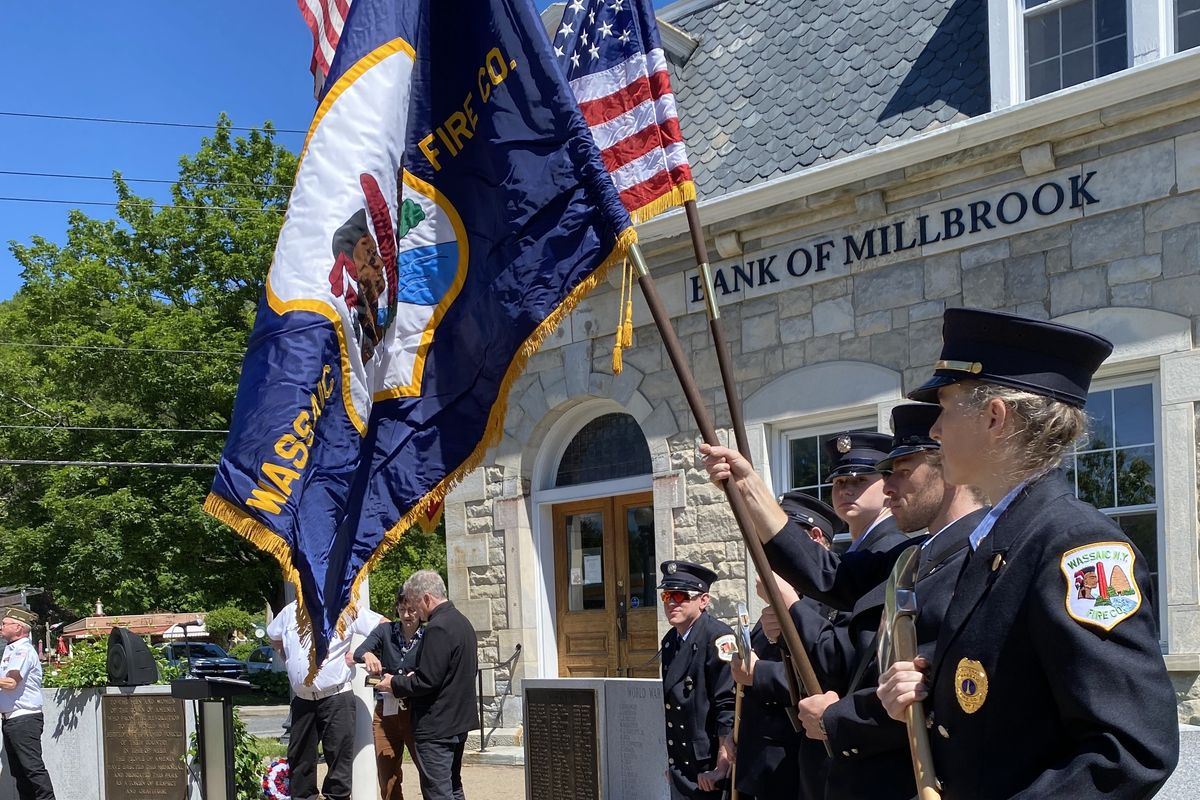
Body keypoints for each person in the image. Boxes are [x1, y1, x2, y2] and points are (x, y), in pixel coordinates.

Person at [874, 307, 1179, 798]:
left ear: (995, 417)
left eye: (946, 408)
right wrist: (927, 696)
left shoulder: (1075, 545)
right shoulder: (1003, 538)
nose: (934, 431)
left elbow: (1129, 751)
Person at [731, 492, 839, 800]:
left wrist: (758, 673)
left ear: (815, 538)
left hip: (798, 766)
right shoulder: (780, 601)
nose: (774, 552)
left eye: (783, 540)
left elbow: (831, 679)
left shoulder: (832, 603)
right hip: (762, 764)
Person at [377, 570, 477, 800]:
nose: (416, 612)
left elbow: (426, 681)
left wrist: (394, 683)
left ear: (427, 598)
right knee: (453, 787)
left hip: (437, 726)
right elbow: (452, 672)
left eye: (415, 604)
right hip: (457, 721)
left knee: (438, 792)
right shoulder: (462, 622)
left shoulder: (437, 627)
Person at [268, 599, 382, 800]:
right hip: (303, 700)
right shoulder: (289, 611)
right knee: (299, 765)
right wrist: (289, 660)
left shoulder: (345, 607)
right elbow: (274, 637)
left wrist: (361, 652)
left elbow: (384, 626)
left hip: (336, 698)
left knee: (339, 767)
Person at [658, 559, 735, 799]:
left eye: (681, 596)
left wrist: (721, 767)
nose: (672, 602)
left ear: (703, 600)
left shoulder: (719, 637)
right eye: (667, 595)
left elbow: (727, 706)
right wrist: (674, 764)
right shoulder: (671, 640)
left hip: (708, 769)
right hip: (682, 765)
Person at [353, 589, 425, 800]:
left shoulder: (429, 634)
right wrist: (367, 654)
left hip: (416, 712)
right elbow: (359, 652)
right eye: (402, 609)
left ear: (420, 611)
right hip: (386, 712)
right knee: (387, 776)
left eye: (411, 610)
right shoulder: (385, 630)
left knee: (428, 771)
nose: (406, 615)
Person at [0, 607, 55, 800]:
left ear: (17, 627)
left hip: (23, 718)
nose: (0, 627)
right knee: (20, 774)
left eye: (4, 624)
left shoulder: (22, 650)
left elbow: (11, 682)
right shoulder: (12, 649)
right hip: (12, 719)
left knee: (33, 771)